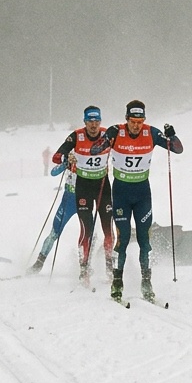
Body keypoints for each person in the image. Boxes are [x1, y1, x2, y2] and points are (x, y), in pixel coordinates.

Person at [87, 100, 183, 303]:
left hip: (142, 194)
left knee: (144, 240)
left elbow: (177, 149)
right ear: (126, 119)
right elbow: (95, 151)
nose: (137, 125)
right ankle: (117, 282)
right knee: (121, 241)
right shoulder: (117, 132)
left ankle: (146, 281)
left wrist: (171, 135)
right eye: (133, 121)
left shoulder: (151, 133)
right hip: (121, 193)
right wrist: (107, 138)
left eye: (140, 121)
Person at [52, 106, 117, 282]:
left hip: (103, 186)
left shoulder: (107, 135)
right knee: (86, 229)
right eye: (90, 122)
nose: (94, 125)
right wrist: (66, 157)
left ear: (100, 122)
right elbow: (56, 156)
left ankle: (110, 269)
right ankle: (84, 270)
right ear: (85, 122)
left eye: (97, 121)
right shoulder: (77, 135)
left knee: (108, 230)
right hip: (84, 186)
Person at [27, 158, 82, 276]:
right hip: (69, 200)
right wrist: (66, 163)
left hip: (86, 199)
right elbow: (53, 172)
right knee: (54, 233)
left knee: (90, 234)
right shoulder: (71, 152)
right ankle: (39, 263)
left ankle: (87, 265)